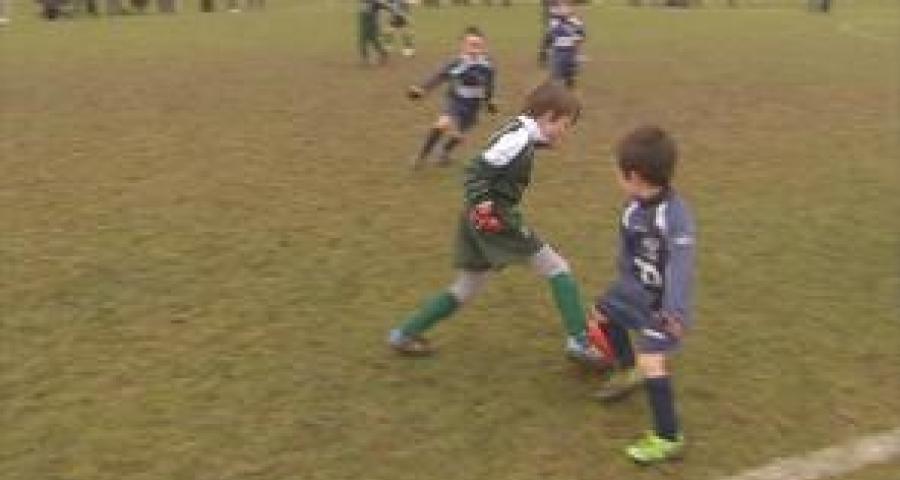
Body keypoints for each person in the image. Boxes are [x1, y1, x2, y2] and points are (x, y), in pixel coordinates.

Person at [389, 82, 608, 371]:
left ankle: (404, 334)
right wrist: (484, 207)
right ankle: (579, 341)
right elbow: (476, 171)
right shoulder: (518, 138)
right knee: (557, 268)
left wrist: (543, 144)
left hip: (474, 217)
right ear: (548, 116)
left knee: (466, 287)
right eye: (564, 125)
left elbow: (502, 155)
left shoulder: (520, 129)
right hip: (495, 217)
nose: (565, 132)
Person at [589, 126, 696, 465]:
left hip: (662, 305)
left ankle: (668, 437)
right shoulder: (632, 210)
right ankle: (627, 368)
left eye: (618, 172)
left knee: (654, 361)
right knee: (602, 314)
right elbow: (627, 251)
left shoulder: (675, 217)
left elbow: (680, 266)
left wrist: (674, 311)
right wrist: (623, 287)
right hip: (635, 290)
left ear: (634, 176)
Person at [407, 27, 497, 168]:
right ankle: (421, 157)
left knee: (458, 136)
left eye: (478, 45)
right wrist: (422, 89)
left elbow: (489, 85)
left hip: (473, 105)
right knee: (442, 124)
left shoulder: (487, 66)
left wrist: (489, 101)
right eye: (471, 45)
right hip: (456, 101)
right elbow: (439, 76)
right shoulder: (458, 63)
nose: (474, 49)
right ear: (463, 46)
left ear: (483, 47)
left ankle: (444, 153)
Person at [541, 1, 586, 89]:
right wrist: (544, 52)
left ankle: (568, 90)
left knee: (570, 76)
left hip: (571, 52)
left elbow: (581, 37)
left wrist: (579, 53)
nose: (562, 9)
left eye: (566, 7)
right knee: (556, 75)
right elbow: (550, 36)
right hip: (558, 51)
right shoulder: (554, 22)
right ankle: (557, 91)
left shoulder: (575, 22)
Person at [359, 0, 401, 65]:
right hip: (363, 23)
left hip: (371, 24)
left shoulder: (374, 2)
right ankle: (368, 57)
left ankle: (380, 54)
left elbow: (383, 6)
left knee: (372, 40)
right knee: (364, 40)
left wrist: (394, 11)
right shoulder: (363, 2)